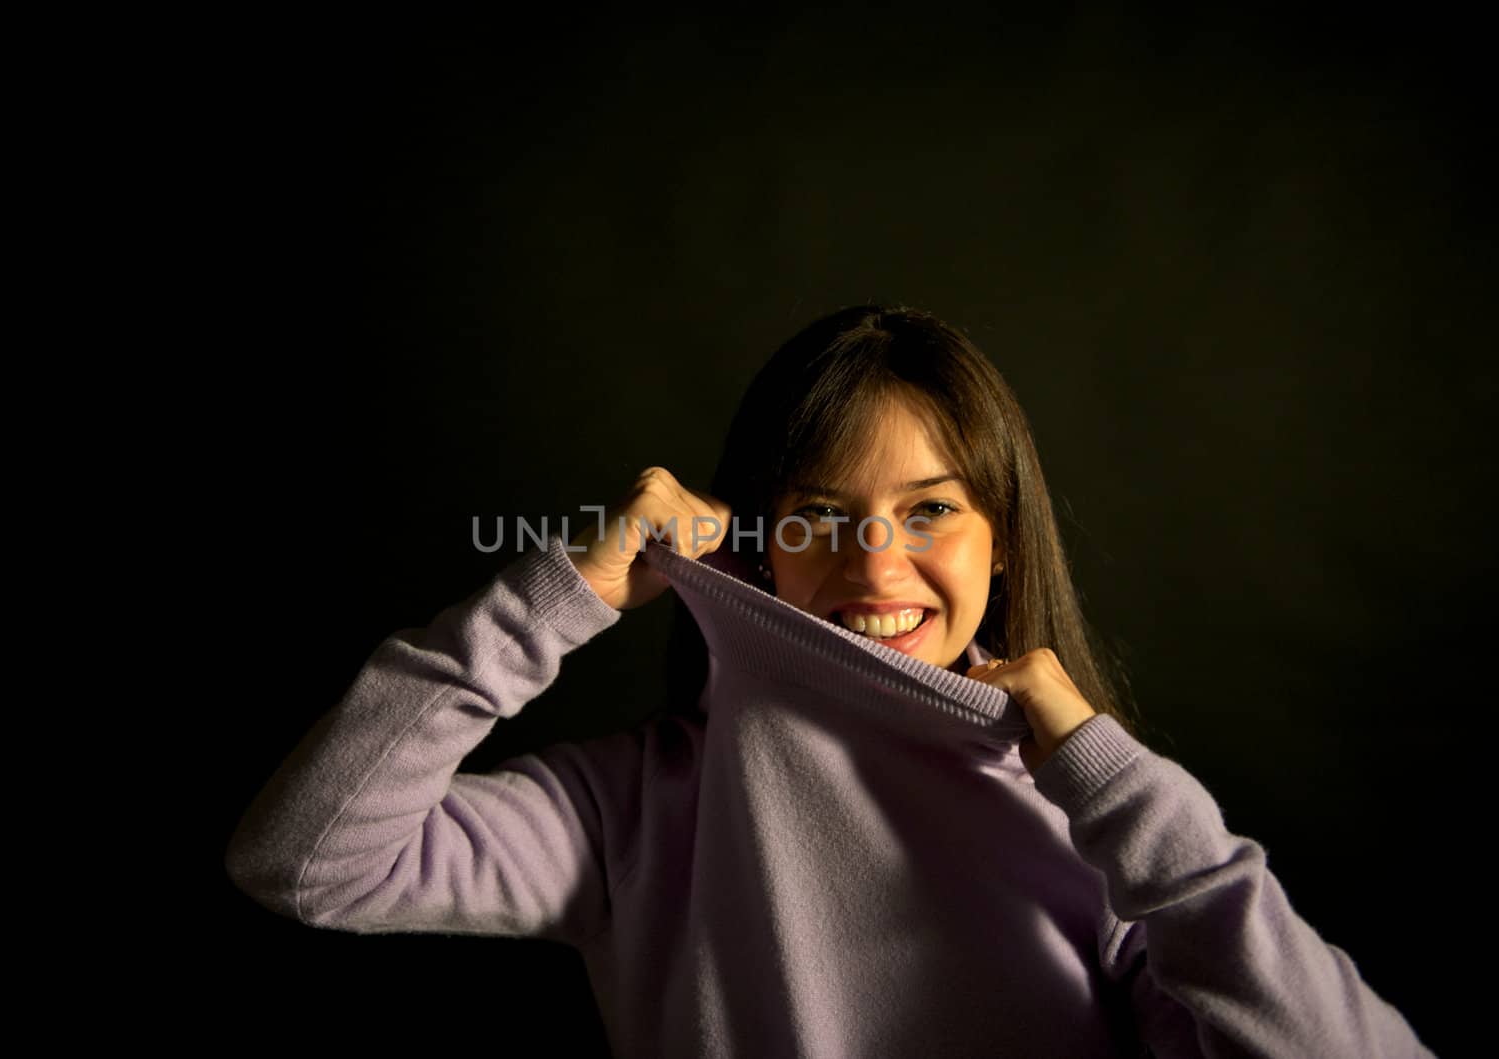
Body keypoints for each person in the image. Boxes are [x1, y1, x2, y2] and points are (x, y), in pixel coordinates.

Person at [223, 305, 1434, 1057]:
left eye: (930, 511)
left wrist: (1114, 782)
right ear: (755, 542)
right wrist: (560, 595)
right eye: (820, 516)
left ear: (1001, 539)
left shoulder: (1104, 830)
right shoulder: (630, 815)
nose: (873, 560)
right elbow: (304, 860)